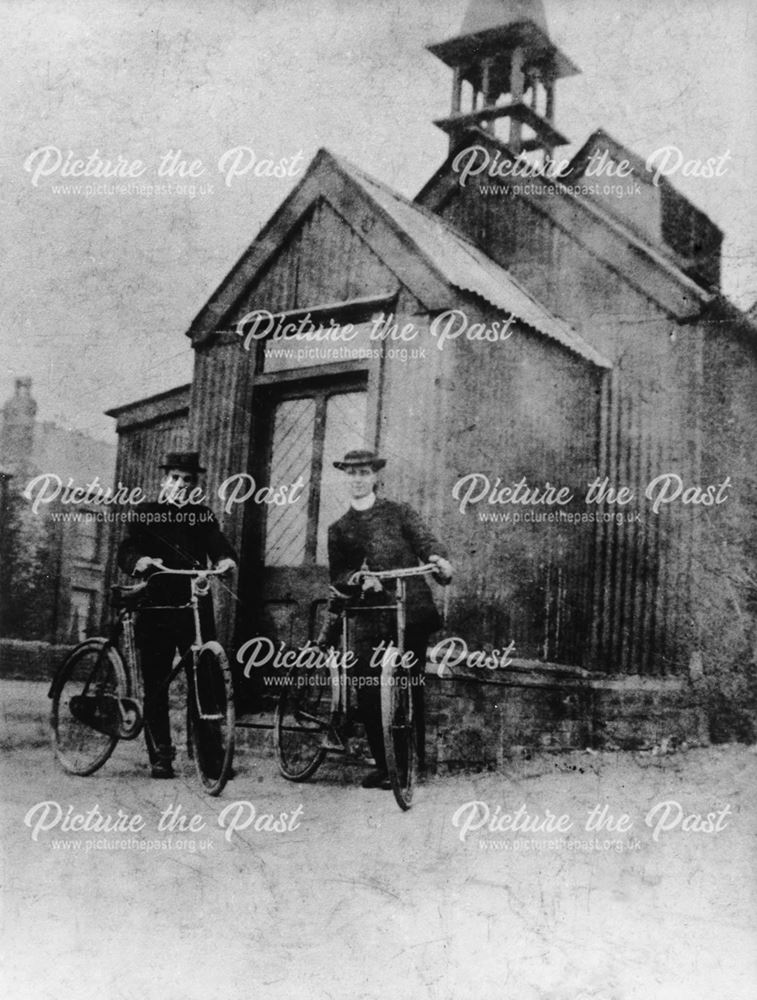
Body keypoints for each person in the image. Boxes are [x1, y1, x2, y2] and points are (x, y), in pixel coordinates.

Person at [325, 449, 452, 789]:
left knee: (410, 685)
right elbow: (338, 575)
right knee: (368, 687)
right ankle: (384, 766)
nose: (357, 479)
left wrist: (438, 559)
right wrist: (359, 579)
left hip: (410, 610)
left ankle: (412, 764)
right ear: (345, 478)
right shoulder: (339, 528)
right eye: (351, 474)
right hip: (369, 615)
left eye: (363, 472)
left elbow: (425, 540)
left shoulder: (399, 513)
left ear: (374, 476)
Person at [117, 451, 236, 778]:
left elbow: (218, 544)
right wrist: (138, 561)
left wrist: (225, 560)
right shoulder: (145, 512)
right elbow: (127, 549)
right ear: (164, 480)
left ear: (195, 484)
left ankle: (210, 758)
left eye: (187, 480)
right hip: (156, 608)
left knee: (205, 682)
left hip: (194, 609)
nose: (181, 485)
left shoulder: (202, 516)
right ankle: (161, 756)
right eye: (175, 478)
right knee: (155, 683)